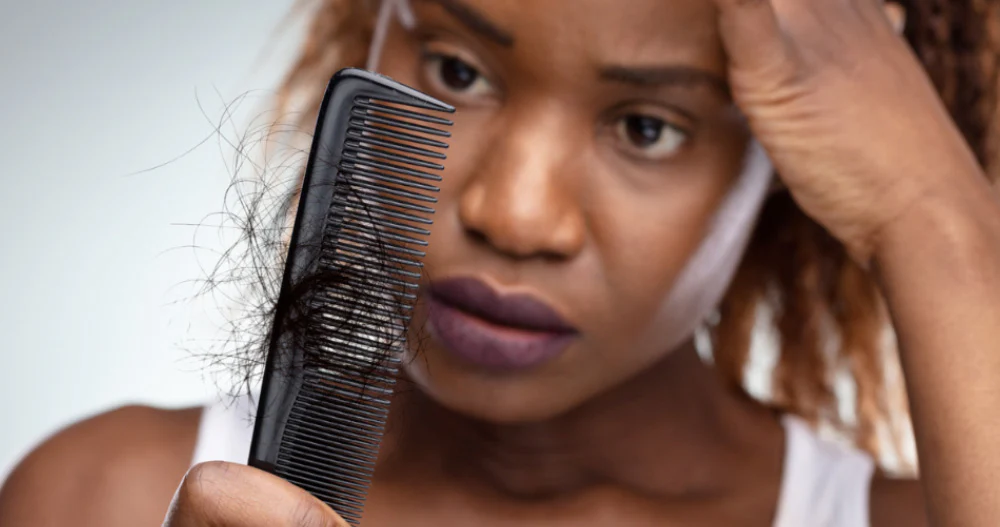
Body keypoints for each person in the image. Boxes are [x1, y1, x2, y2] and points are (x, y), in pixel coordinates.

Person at [2, 0, 1000, 525]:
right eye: (455, 69)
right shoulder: (104, 498)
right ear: (373, 27)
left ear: (804, 147)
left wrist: (931, 213)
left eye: (647, 127)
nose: (511, 213)